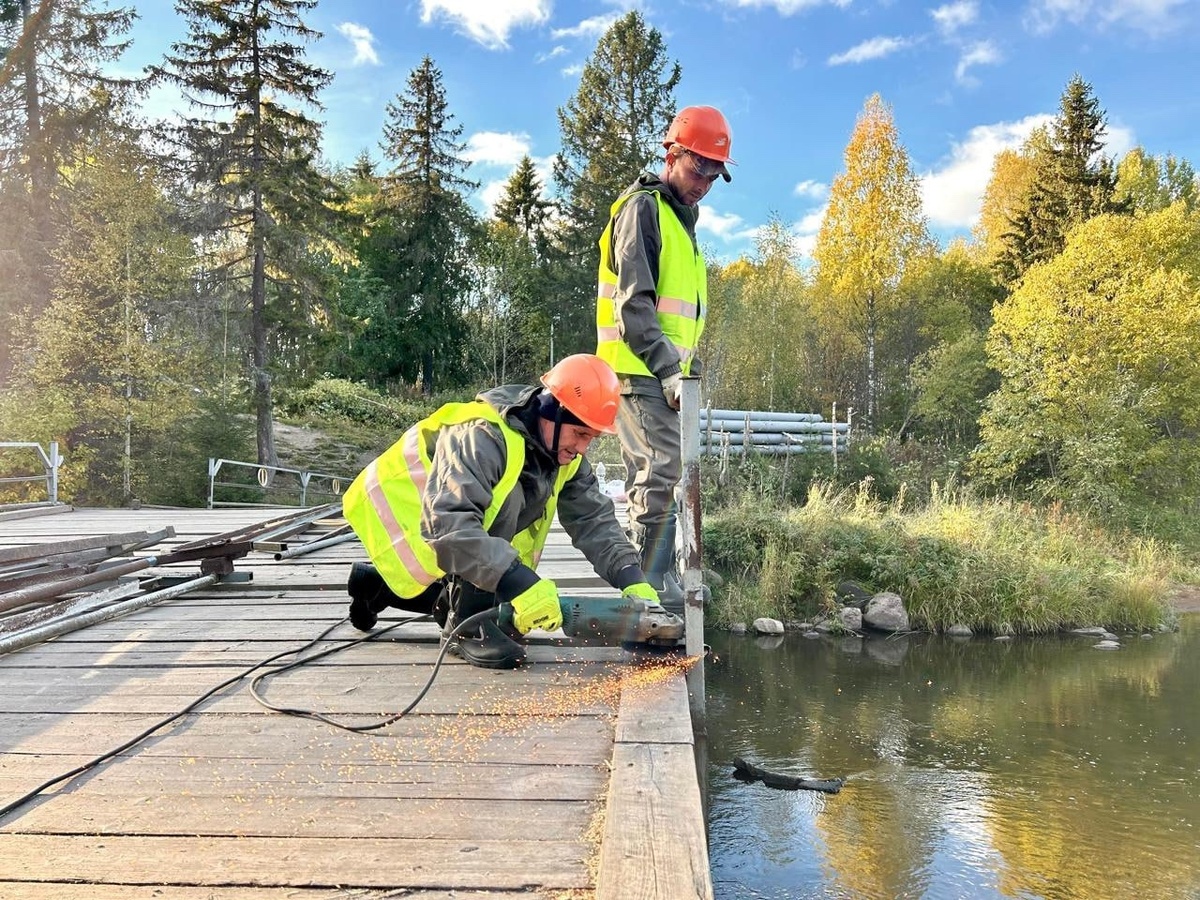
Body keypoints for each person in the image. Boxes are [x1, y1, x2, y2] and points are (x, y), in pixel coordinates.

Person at [340, 354, 661, 670]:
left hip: (456, 538)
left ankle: (374, 586)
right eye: (580, 434)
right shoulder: (482, 435)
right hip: (412, 519)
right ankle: (465, 627)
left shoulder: (563, 454)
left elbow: (595, 520)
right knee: (504, 569)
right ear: (554, 410)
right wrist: (522, 583)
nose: (582, 448)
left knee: (506, 610)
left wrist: (632, 579)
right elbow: (451, 525)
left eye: (590, 438)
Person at [595, 105, 733, 606]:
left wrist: (681, 373)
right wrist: (670, 371)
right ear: (671, 153)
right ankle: (648, 587)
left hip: (661, 374)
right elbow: (634, 303)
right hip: (639, 371)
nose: (704, 184)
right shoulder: (643, 209)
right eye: (698, 169)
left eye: (714, 175)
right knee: (659, 469)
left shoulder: (681, 220)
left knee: (660, 471)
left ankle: (654, 578)